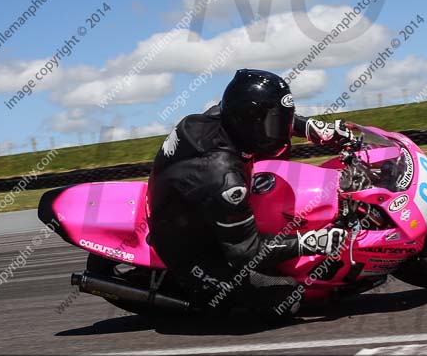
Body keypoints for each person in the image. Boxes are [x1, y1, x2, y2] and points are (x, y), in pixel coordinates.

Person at [147, 69, 354, 319]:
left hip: (189, 199)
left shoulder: (218, 117)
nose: (280, 130)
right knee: (287, 297)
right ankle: (206, 297)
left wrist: (311, 127)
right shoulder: (225, 178)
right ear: (247, 120)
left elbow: (265, 114)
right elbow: (245, 252)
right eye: (273, 124)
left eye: (280, 121)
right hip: (189, 243)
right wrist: (309, 242)